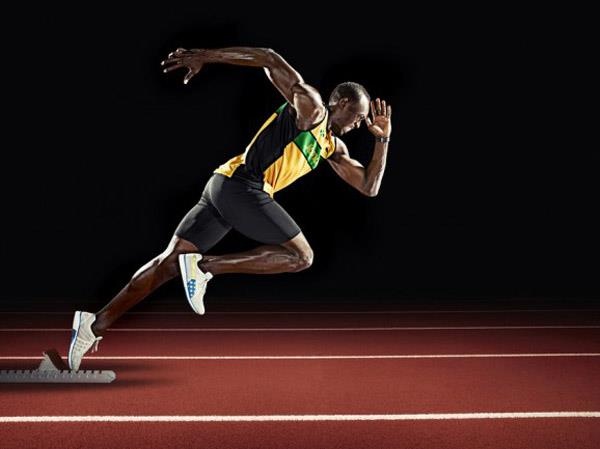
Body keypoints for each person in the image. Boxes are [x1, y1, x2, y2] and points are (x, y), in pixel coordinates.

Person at [67, 46, 392, 370]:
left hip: (224, 189)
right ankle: (206, 268)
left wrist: (382, 140)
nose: (361, 123)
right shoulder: (313, 107)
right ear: (343, 103)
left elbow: (369, 186)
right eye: (360, 117)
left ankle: (93, 325)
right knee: (302, 257)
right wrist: (205, 56)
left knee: (168, 265)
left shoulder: (332, 147)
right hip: (242, 185)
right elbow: (269, 58)